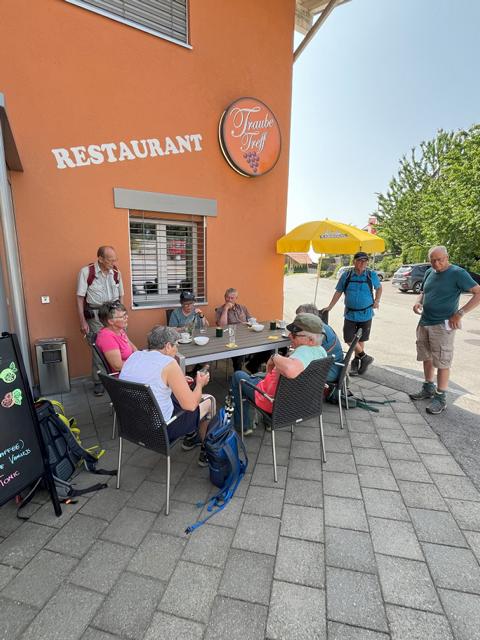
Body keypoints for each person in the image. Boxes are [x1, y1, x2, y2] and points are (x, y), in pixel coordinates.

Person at [119, 326, 214, 465]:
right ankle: (206, 450)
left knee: (176, 395)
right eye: (176, 345)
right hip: (159, 431)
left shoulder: (135, 356)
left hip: (132, 425)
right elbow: (190, 405)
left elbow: (150, 377)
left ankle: (192, 435)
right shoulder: (169, 363)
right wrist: (200, 384)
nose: (177, 349)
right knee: (208, 401)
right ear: (168, 346)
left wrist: (177, 380)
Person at [409, 245, 480, 414]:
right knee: (426, 356)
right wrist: (418, 301)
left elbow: (478, 293)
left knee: (442, 361)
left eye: (440, 260)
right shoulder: (429, 272)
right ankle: (428, 387)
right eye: (432, 260)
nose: (436, 264)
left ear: (447, 257)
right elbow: (424, 291)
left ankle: (440, 397)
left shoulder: (457, 273)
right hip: (424, 322)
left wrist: (460, 313)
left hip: (442, 325)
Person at [230, 313, 327, 435]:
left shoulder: (304, 352)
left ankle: (244, 426)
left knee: (238, 376)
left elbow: (291, 371)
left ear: (311, 340)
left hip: (274, 403)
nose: (290, 336)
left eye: (294, 335)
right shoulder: (321, 352)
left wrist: (275, 357)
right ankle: (267, 422)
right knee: (259, 376)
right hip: (302, 405)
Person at [322, 252, 382, 376]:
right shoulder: (347, 275)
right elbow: (338, 292)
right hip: (350, 313)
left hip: (366, 313)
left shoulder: (371, 275)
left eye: (365, 261)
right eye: (360, 260)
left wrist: (377, 300)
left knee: (361, 339)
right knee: (349, 338)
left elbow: (379, 288)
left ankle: (356, 362)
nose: (363, 263)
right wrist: (330, 306)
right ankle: (365, 357)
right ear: (354, 261)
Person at [77, 246, 124, 395]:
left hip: (113, 313)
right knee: (99, 348)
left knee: (118, 345)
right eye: (111, 260)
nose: (114, 263)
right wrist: (83, 321)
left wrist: (122, 315)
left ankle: (119, 377)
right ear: (100, 259)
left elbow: (121, 296)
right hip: (96, 314)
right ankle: (99, 381)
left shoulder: (116, 273)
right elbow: (80, 298)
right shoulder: (86, 272)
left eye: (115, 259)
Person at [295, 303, 343, 383]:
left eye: (301, 318)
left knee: (293, 372)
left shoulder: (317, 331)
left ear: (311, 317)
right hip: (335, 366)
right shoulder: (321, 326)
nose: (297, 322)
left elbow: (305, 352)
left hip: (330, 371)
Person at [215, 287, 257, 372]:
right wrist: (226, 309)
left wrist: (250, 322)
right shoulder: (220, 310)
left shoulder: (243, 308)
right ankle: (238, 373)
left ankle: (252, 364)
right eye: (227, 297)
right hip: (230, 338)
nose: (229, 300)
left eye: (232, 298)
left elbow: (251, 320)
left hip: (246, 336)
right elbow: (222, 326)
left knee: (267, 349)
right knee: (239, 353)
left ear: (236, 298)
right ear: (224, 297)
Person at [95, 302, 137, 372]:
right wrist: (137, 364)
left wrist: (139, 357)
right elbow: (118, 366)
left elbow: (132, 346)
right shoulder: (106, 338)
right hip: (124, 374)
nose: (126, 317)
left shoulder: (119, 330)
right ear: (111, 321)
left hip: (132, 368)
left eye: (126, 314)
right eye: (122, 316)